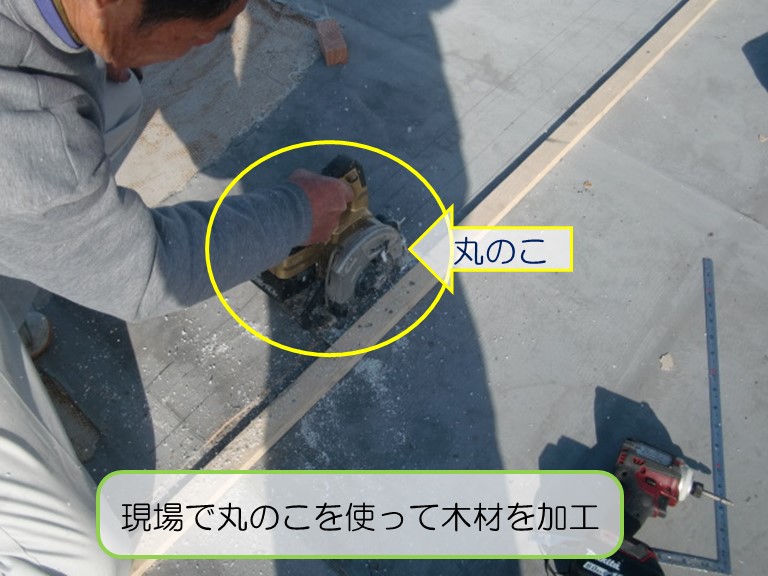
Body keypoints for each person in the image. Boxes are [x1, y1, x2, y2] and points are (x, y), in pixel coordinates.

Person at [0, 0, 352, 573]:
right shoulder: (28, 132)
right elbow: (146, 271)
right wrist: (296, 214)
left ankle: (18, 292)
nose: (213, 42)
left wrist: (108, 43)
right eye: (203, 35)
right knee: (84, 559)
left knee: (115, 95)